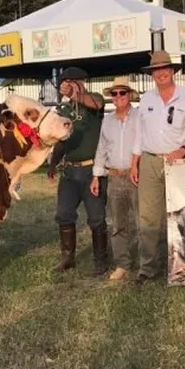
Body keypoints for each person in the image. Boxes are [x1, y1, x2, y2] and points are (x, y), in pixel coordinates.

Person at [130, 51, 185, 283]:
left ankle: (183, 266)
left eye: (164, 69)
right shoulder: (147, 99)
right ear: (152, 74)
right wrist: (135, 161)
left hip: (178, 162)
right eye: (155, 70)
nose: (160, 73)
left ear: (172, 71)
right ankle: (148, 267)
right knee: (148, 217)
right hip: (150, 159)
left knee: (181, 214)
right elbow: (139, 133)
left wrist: (184, 150)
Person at [47, 66, 107, 276]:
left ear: (82, 82)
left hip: (92, 169)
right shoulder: (63, 111)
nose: (69, 84)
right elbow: (61, 142)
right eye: (66, 82)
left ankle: (100, 260)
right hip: (70, 171)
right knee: (64, 214)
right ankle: (67, 258)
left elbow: (96, 103)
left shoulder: (93, 100)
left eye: (74, 81)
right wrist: (53, 163)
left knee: (96, 217)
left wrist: (76, 93)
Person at [91, 76, 141, 283]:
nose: (118, 96)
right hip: (114, 176)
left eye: (122, 92)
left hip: (136, 174)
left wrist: (135, 165)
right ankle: (122, 264)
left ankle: (146, 262)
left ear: (129, 95)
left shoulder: (139, 116)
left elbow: (142, 141)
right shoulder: (108, 120)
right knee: (118, 223)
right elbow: (102, 148)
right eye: (115, 93)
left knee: (142, 221)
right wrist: (96, 175)